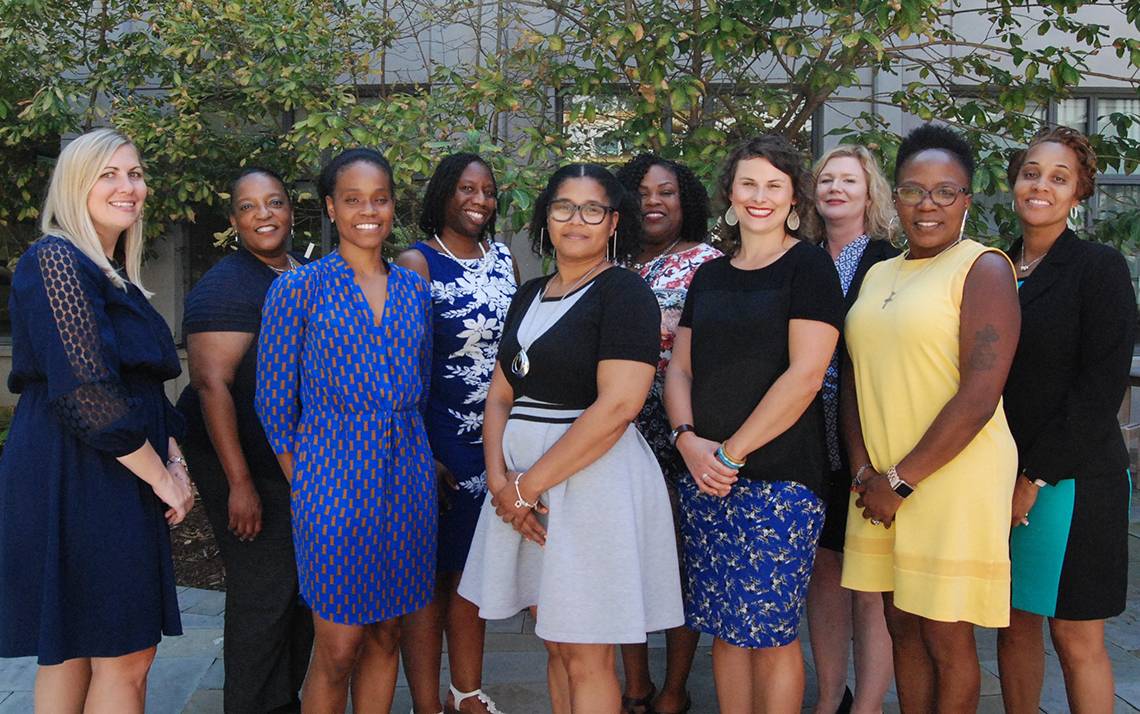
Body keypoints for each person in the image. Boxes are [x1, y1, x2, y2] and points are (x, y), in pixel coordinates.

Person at [458, 163, 684, 714]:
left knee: (587, 654)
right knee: (556, 645)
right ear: (546, 218)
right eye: (563, 207)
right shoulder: (530, 293)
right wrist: (499, 482)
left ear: (613, 224)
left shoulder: (625, 292)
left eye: (592, 210)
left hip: (592, 485)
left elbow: (620, 405)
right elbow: (500, 395)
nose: (575, 220)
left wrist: (526, 487)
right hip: (521, 489)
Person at [0, 128, 194, 713]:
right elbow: (89, 394)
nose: (127, 186)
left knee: (80, 649)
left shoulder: (110, 272)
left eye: (134, 174)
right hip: (79, 474)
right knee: (123, 655)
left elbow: (143, 390)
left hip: (113, 468)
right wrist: (162, 476)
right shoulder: (56, 259)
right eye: (108, 174)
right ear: (75, 185)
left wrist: (176, 461)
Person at [840, 124, 1020, 713]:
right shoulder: (879, 273)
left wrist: (901, 481)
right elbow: (854, 378)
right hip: (879, 480)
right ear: (895, 196)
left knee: (944, 633)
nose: (928, 204)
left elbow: (980, 393)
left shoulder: (984, 267)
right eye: (914, 190)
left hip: (950, 477)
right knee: (901, 627)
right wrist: (866, 469)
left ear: (967, 200)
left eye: (946, 191)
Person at [663, 134, 844, 713]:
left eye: (773, 185)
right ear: (730, 194)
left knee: (767, 632)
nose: (759, 197)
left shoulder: (809, 267)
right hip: (706, 478)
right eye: (748, 184)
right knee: (723, 624)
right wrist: (687, 442)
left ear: (794, 197)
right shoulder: (711, 276)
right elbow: (679, 371)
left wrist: (730, 454)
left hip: (779, 480)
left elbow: (806, 375)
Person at [255, 148, 435, 714]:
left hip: (407, 477)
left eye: (379, 199)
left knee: (387, 634)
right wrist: (308, 481)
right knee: (339, 645)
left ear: (391, 206)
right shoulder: (298, 288)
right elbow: (273, 400)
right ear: (331, 208)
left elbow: (421, 384)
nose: (368, 211)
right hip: (331, 479)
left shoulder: (414, 289)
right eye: (353, 200)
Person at [996, 126, 1136, 714]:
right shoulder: (992, 264)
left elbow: (1100, 388)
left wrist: (1034, 478)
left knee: (1074, 634)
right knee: (1012, 625)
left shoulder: (1099, 268)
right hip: (995, 477)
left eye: (1059, 178)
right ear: (1013, 182)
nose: (1041, 186)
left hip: (1073, 479)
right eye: (1031, 173)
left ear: (1079, 194)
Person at [177, 167, 314, 713]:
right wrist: (239, 485)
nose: (264, 214)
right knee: (264, 591)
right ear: (234, 220)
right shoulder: (225, 288)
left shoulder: (299, 273)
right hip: (239, 462)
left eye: (274, 202)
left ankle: (283, 701)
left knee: (301, 591)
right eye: (250, 206)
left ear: (290, 210)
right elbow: (211, 386)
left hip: (289, 461)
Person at [397, 153, 516, 714]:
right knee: (426, 585)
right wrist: (418, 451)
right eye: (467, 189)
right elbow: (405, 366)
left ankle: (466, 694)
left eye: (488, 191)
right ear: (444, 193)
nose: (479, 200)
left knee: (472, 581)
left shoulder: (503, 259)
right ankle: (425, 704)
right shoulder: (415, 263)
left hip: (491, 440)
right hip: (434, 439)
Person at [613, 153, 720, 714]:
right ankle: (635, 683)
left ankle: (674, 688)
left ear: (687, 202)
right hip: (617, 432)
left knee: (683, 563)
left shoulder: (710, 265)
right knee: (624, 558)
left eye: (668, 193)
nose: (654, 202)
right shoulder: (609, 263)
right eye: (643, 192)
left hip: (684, 433)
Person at [804, 145, 898, 714]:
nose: (835, 188)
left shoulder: (891, 262)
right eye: (826, 179)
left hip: (867, 436)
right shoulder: (800, 258)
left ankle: (866, 704)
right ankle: (828, 697)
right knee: (823, 566)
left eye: (849, 180)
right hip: (806, 436)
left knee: (869, 575)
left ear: (870, 192)